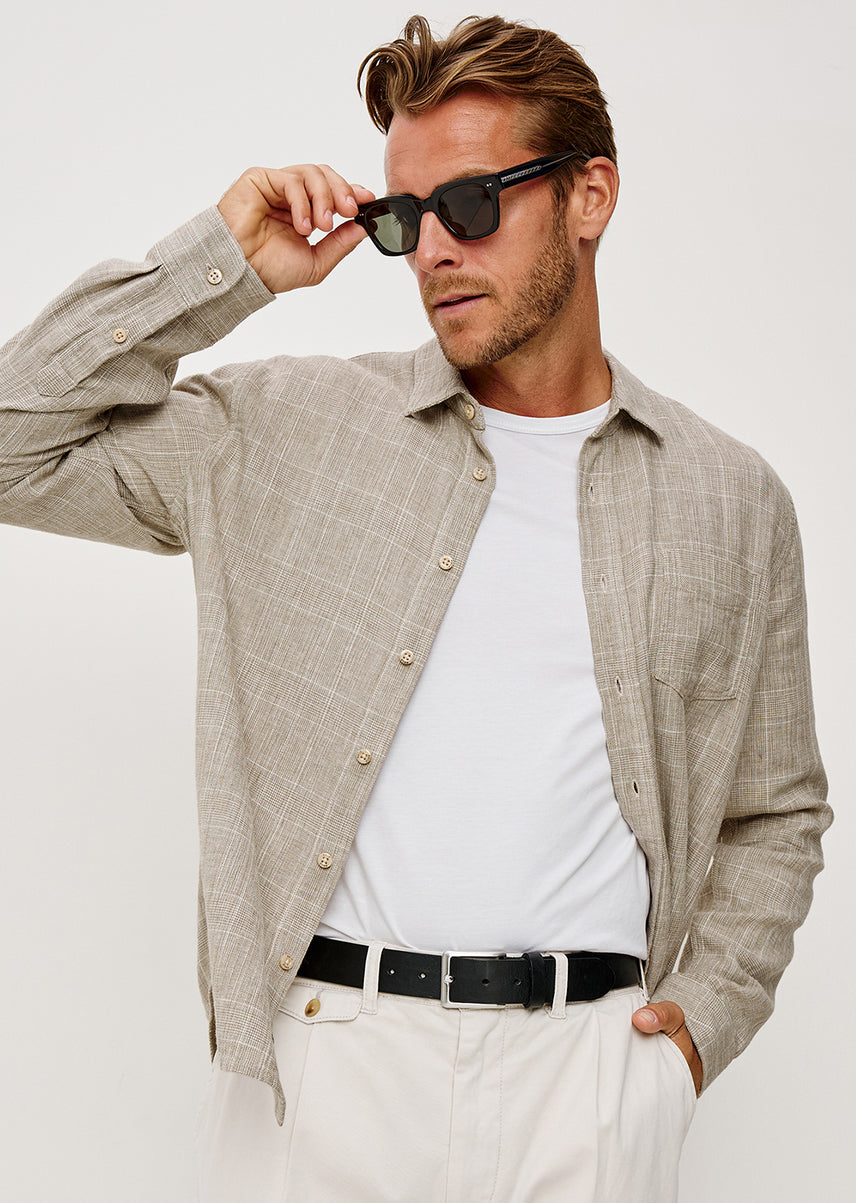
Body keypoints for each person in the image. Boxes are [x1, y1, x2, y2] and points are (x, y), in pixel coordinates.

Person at [0, 13, 830, 1203]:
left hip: (587, 1084)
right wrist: (222, 267)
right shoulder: (283, 433)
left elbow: (777, 805)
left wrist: (694, 1032)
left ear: (588, 195)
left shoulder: (726, 497)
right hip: (322, 1073)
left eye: (474, 204)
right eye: (403, 218)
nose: (432, 248)